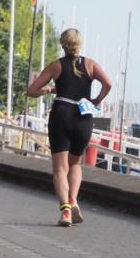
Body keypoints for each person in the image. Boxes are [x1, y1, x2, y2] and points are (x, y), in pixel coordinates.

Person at [26, 28, 112, 227]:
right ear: (80, 44)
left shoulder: (56, 66)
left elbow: (31, 91)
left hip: (61, 113)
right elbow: (108, 83)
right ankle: (73, 201)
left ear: (62, 44)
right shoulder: (91, 64)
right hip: (83, 116)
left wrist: (49, 89)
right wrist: (96, 100)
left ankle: (65, 210)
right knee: (75, 164)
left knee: (59, 168)